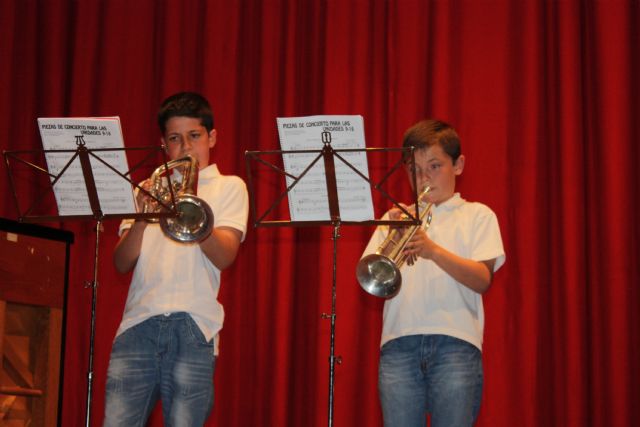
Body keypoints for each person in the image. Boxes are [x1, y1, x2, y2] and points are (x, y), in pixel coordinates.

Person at [104, 92, 249, 426]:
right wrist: (142, 217)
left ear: (211, 137)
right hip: (137, 326)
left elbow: (225, 254)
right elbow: (121, 263)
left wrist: (191, 213)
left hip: (193, 326)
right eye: (175, 139)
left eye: (194, 136)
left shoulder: (229, 187)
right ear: (163, 144)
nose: (185, 147)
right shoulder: (147, 186)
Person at [361, 119, 505, 427]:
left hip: (455, 344)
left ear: (459, 165)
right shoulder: (394, 217)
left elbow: (483, 279)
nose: (424, 177)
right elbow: (376, 280)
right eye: (414, 170)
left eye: (435, 166)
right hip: (399, 343)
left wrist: (432, 250)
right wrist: (395, 238)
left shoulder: (477, 215)